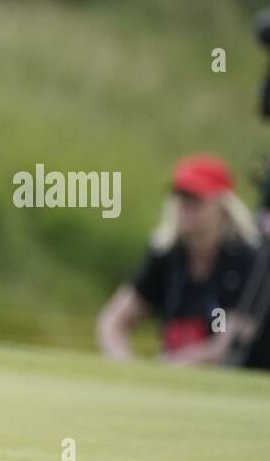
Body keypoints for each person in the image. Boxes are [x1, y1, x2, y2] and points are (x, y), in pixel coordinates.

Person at [97, 154, 266, 367]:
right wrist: (123, 361)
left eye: (196, 200)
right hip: (172, 365)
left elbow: (224, 341)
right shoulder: (166, 254)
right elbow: (113, 320)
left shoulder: (245, 260)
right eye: (181, 198)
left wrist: (171, 365)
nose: (185, 207)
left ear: (223, 208)